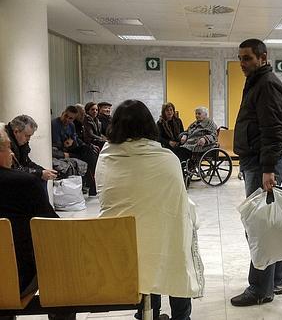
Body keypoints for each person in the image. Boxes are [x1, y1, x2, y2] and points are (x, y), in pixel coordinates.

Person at [96, 100, 204, 320]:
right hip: (161, 239)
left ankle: (149, 312)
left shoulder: (106, 158)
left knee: (144, 247)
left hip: (120, 246)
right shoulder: (166, 159)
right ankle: (181, 316)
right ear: (149, 126)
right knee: (174, 240)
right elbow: (178, 204)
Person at [231, 38, 282, 307]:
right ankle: (275, 280)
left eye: (248, 58)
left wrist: (267, 169)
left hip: (264, 165)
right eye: (240, 58)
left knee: (259, 229)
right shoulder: (257, 81)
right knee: (270, 223)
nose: (242, 63)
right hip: (257, 163)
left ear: (263, 57)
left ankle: (260, 289)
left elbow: (273, 131)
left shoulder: (266, 85)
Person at [0, 123, 61, 311]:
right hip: (17, 278)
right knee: (61, 266)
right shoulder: (24, 184)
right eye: (8, 147)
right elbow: (54, 228)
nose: (11, 154)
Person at [51, 105, 98, 196]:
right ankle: (91, 184)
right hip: (60, 150)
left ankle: (93, 183)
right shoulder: (54, 124)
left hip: (70, 149)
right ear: (62, 114)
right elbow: (57, 144)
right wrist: (66, 144)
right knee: (84, 155)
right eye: (66, 116)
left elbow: (75, 139)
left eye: (71, 118)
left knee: (88, 151)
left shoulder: (71, 125)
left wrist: (72, 141)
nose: (67, 120)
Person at [5, 115, 57, 181]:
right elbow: (12, 169)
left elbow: (26, 162)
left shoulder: (20, 142)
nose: (28, 139)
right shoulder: (5, 142)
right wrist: (40, 173)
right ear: (16, 132)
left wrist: (43, 170)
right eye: (27, 136)